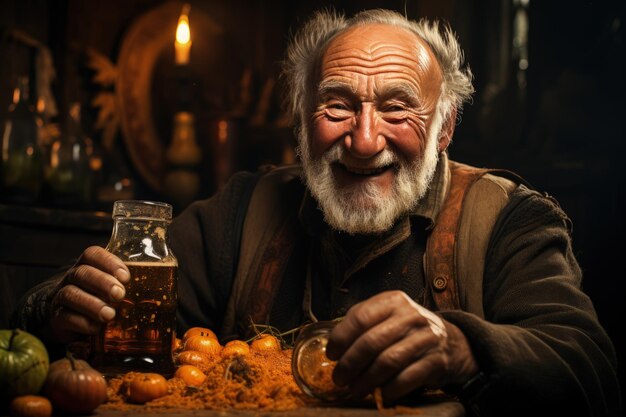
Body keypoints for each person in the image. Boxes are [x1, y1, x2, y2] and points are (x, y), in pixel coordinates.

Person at [12, 9, 621, 417]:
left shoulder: (510, 221)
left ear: (443, 129)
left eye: (396, 108)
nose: (362, 140)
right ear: (302, 122)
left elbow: (590, 371)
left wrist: (464, 348)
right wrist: (61, 306)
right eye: (337, 105)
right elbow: (67, 313)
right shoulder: (242, 212)